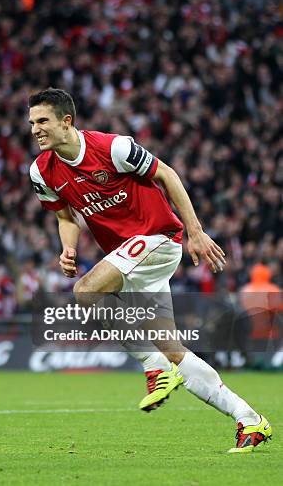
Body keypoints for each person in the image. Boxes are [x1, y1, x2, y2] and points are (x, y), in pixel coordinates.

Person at [28, 88, 272, 453]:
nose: (35, 129)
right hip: (132, 259)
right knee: (176, 351)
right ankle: (250, 420)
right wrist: (68, 246)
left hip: (158, 238)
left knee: (86, 292)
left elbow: (168, 175)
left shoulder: (114, 148)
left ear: (67, 121)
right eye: (32, 122)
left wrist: (195, 232)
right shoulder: (41, 171)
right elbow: (65, 215)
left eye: (42, 121)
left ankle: (153, 365)